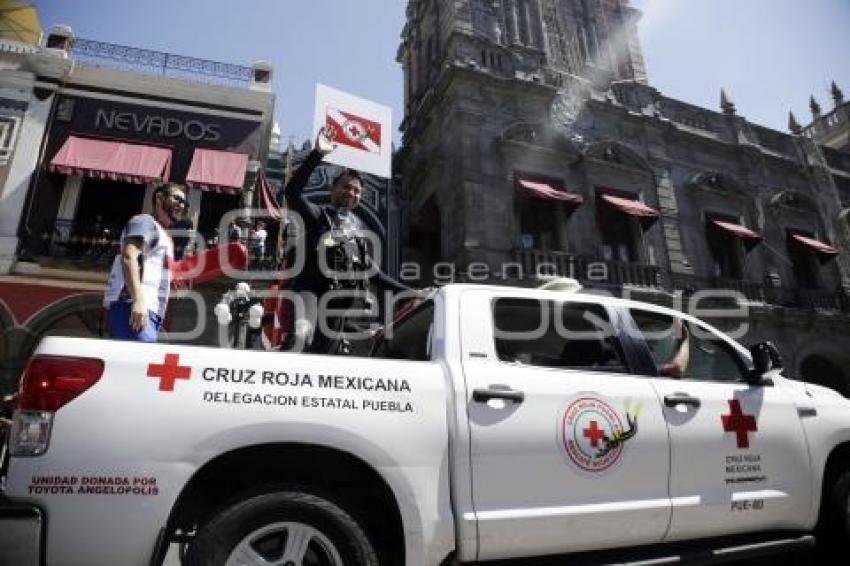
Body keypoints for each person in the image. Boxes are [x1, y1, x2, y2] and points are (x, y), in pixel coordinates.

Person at [281, 127, 413, 353]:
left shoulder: (359, 233)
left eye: (356, 190)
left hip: (339, 305)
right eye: (346, 187)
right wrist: (317, 154)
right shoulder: (319, 215)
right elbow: (292, 192)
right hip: (310, 293)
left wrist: (413, 292)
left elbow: (374, 274)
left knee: (325, 361)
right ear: (333, 188)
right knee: (302, 338)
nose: (351, 193)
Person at [103, 182, 187, 342]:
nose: (181, 205)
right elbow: (129, 257)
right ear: (159, 198)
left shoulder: (164, 237)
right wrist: (138, 301)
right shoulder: (145, 222)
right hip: (132, 308)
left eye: (184, 202)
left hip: (149, 313)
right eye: (177, 199)